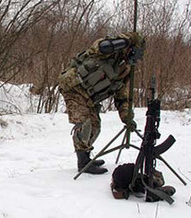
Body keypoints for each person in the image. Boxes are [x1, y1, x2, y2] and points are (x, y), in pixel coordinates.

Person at [58, 32, 146, 174]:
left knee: (95, 126)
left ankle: (85, 157)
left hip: (88, 95)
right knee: (85, 123)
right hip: (73, 85)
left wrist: (127, 118)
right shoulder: (109, 51)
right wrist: (126, 41)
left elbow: (122, 97)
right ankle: (83, 164)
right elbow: (100, 46)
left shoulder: (124, 70)